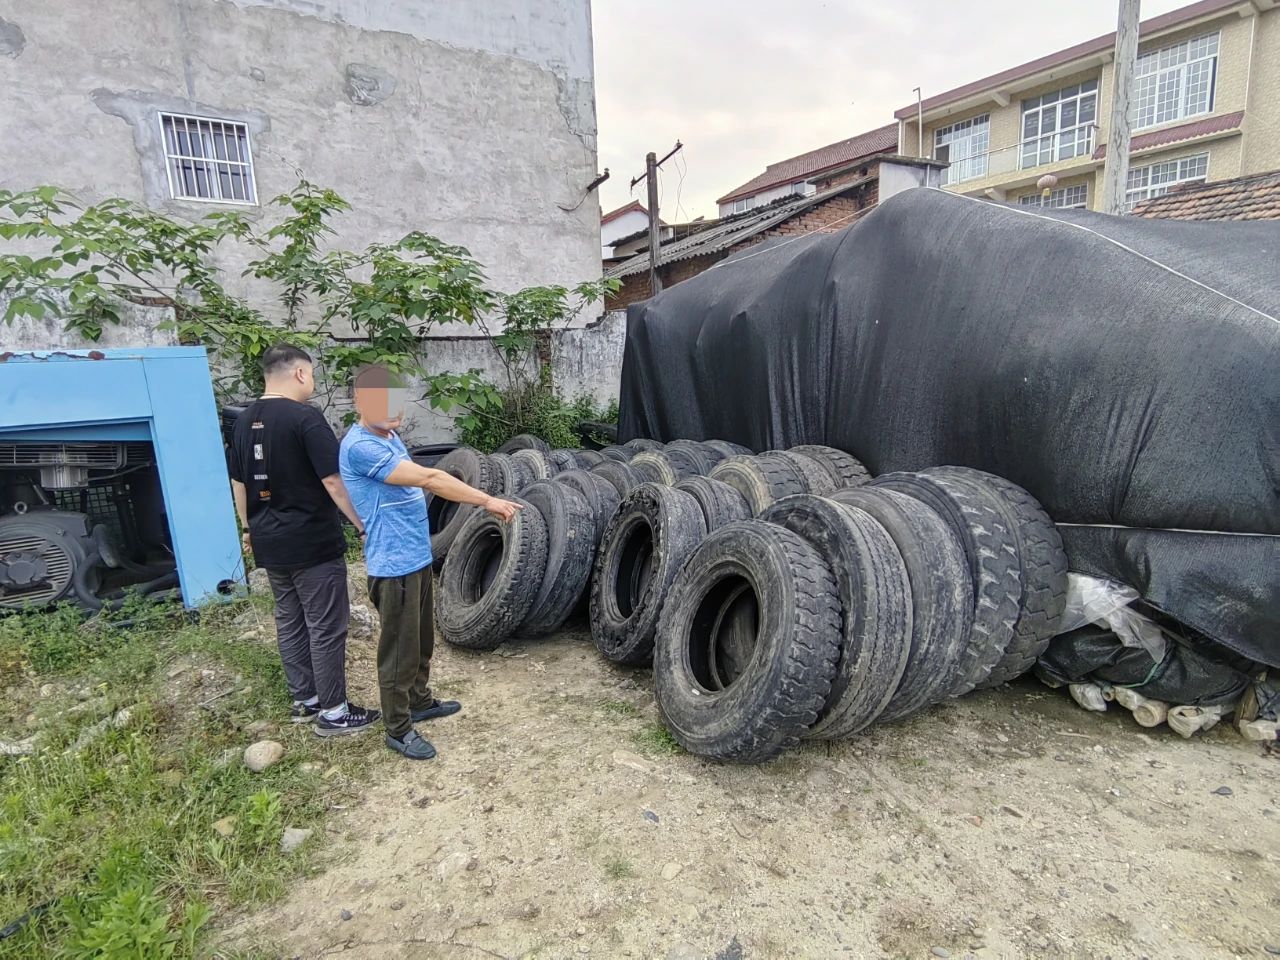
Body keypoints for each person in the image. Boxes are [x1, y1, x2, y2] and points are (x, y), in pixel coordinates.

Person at [339, 365, 521, 761]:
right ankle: (398, 727)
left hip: (415, 557)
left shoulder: (387, 437)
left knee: (421, 640)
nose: (391, 409)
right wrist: (487, 501)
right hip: (394, 566)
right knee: (399, 650)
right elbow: (430, 479)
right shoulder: (360, 446)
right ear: (359, 402)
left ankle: (420, 700)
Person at [229, 343, 381, 737]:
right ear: (299, 373)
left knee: (290, 620)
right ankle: (334, 712)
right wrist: (362, 526)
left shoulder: (242, 422)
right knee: (327, 625)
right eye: (311, 374)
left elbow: (239, 482)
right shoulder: (305, 419)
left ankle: (306, 700)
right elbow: (333, 480)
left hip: (269, 542)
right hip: (311, 542)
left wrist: (248, 528)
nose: (312, 382)